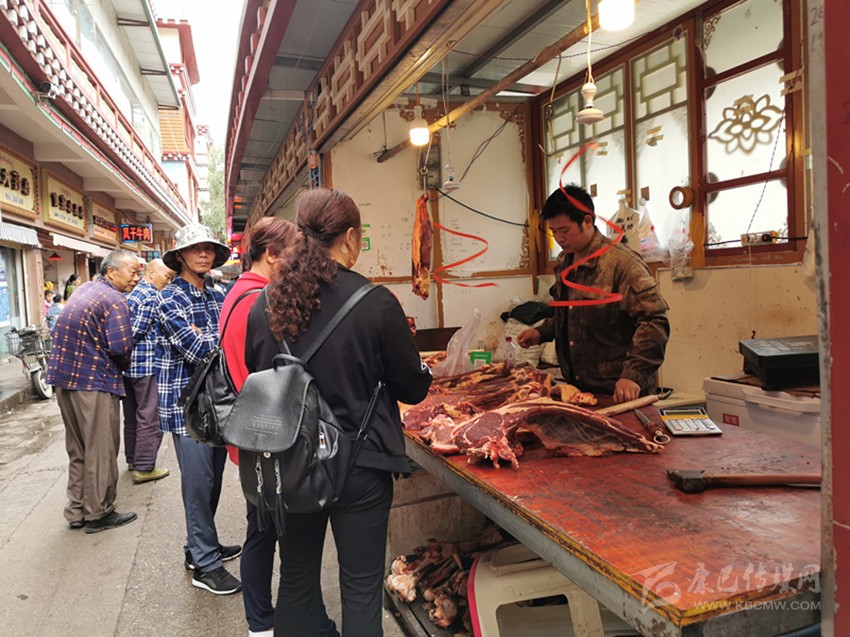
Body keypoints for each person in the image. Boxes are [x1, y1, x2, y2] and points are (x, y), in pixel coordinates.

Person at [244, 187, 432, 636]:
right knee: (361, 589)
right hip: (360, 466)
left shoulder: (265, 304)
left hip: (293, 464)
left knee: (296, 579)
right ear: (349, 237)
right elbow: (413, 387)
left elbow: (259, 372)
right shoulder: (375, 303)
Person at [221, 218, 337, 637]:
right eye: (291, 253)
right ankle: (261, 622)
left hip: (252, 431)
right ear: (271, 255)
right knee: (266, 532)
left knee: (265, 527)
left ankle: (271, 619)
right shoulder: (258, 300)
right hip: (266, 434)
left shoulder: (238, 292)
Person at [517, 185, 670, 402]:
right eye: (554, 231)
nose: (559, 238)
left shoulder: (622, 263)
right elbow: (569, 313)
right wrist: (541, 332)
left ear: (588, 221)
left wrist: (633, 375)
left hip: (618, 390)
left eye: (564, 230)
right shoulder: (565, 261)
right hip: (578, 388)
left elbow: (654, 321)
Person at [157, 224, 242, 596]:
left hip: (217, 403)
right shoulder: (169, 299)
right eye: (195, 249)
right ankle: (205, 565)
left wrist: (220, 339)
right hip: (187, 408)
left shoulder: (217, 292)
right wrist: (221, 340)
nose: (203, 254)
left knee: (213, 480)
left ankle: (199, 547)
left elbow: (230, 338)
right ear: (180, 256)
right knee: (199, 484)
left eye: (208, 248)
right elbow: (201, 350)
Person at [45, 249, 140, 533]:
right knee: (101, 448)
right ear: (112, 272)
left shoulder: (86, 289)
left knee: (79, 448)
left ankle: (76, 510)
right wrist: (122, 367)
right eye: (132, 272)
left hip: (64, 381)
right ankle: (98, 512)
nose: (136, 278)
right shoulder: (114, 299)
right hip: (93, 382)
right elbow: (121, 347)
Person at [122, 258, 174, 484]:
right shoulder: (150, 295)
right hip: (146, 365)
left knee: (132, 416)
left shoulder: (131, 293)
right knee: (150, 416)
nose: (168, 281)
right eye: (166, 276)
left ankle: (133, 459)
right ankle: (144, 466)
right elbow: (134, 332)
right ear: (151, 273)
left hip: (128, 367)